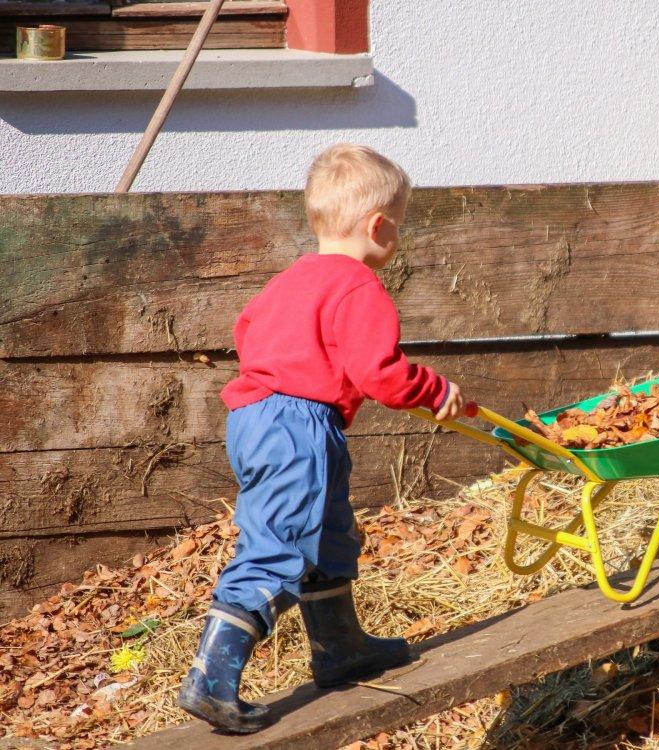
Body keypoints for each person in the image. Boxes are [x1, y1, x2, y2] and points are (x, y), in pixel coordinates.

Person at [178, 144, 465, 733]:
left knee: (328, 531)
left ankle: (341, 649)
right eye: (400, 228)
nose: (398, 239)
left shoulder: (289, 280)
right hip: (297, 424)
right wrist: (434, 391)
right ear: (378, 225)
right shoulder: (358, 287)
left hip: (261, 419)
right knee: (278, 547)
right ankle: (212, 677)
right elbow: (380, 374)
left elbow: (247, 330)